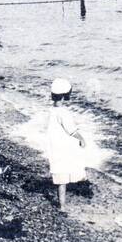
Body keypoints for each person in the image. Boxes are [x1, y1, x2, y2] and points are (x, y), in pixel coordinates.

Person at [46, 78, 88, 210]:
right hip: (62, 146)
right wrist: (81, 138)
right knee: (64, 174)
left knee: (60, 175)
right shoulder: (63, 112)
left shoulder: (52, 110)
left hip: (54, 144)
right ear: (65, 96)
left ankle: (62, 205)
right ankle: (62, 206)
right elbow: (71, 130)